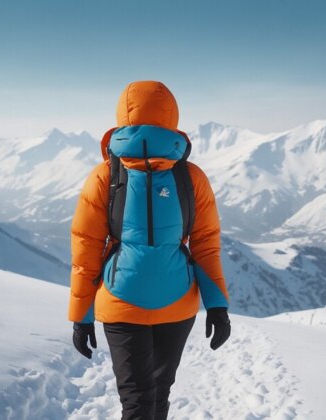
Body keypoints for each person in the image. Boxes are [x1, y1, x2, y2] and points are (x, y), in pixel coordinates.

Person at [68, 81, 231, 420]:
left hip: (120, 301)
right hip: (178, 303)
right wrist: (217, 306)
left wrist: (81, 316)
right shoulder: (192, 177)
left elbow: (86, 252)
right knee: (157, 396)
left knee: (139, 401)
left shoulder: (104, 176)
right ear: (172, 117)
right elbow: (205, 245)